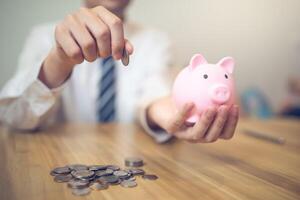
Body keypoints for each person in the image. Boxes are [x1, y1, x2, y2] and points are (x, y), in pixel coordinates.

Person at [0, 0, 239, 143]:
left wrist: (171, 117)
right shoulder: (42, 36)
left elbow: (155, 95)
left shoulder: (157, 41)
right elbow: (14, 117)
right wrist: (59, 60)